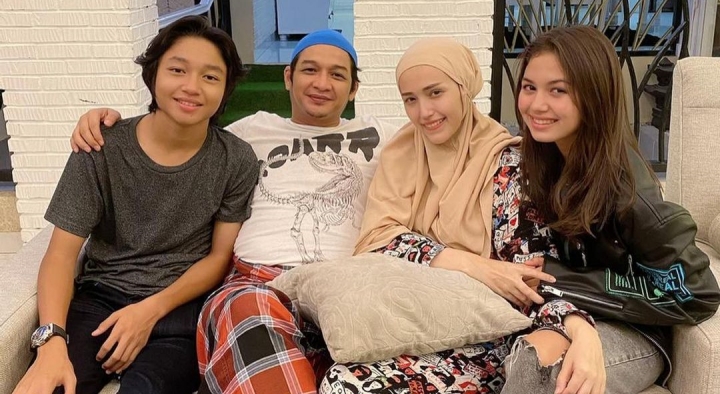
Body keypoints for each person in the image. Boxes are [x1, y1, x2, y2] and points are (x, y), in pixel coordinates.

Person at [68, 29, 399, 393]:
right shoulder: (247, 133)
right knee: (248, 310)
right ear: (288, 77)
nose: (322, 83)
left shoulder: (386, 135)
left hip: (345, 282)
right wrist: (104, 120)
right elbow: (179, 125)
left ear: (353, 89)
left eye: (337, 75)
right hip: (257, 283)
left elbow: (443, 138)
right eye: (309, 70)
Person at [13, 15, 258, 394]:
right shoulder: (100, 145)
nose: (192, 87)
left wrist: (149, 311)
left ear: (225, 89)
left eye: (210, 76)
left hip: (179, 308)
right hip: (100, 297)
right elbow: (61, 254)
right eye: (177, 70)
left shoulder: (235, 159)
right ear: (153, 74)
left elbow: (218, 257)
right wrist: (51, 343)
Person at [319, 37, 571, 394]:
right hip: (412, 323)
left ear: (464, 88)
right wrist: (470, 264)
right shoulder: (401, 154)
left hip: (491, 336)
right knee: (340, 382)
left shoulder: (509, 165)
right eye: (410, 99)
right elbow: (376, 242)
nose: (424, 112)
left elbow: (526, 280)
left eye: (435, 93)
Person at [500, 25, 720, 394]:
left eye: (558, 90)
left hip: (634, 330)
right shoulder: (544, 161)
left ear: (595, 95)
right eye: (529, 87)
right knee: (528, 359)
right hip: (570, 311)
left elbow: (699, 294)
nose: (536, 105)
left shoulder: (632, 196)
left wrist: (570, 282)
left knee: (550, 377)